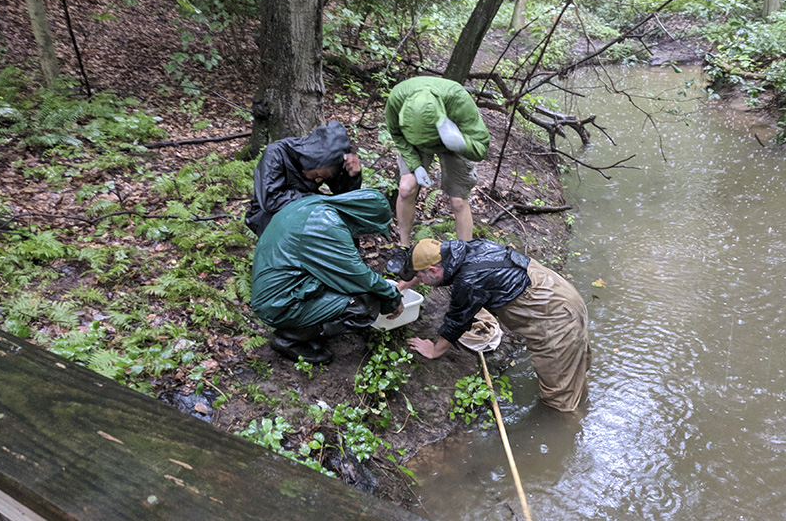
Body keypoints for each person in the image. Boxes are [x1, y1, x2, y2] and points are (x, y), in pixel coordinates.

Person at [397, 238, 591, 412]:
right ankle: (579, 399)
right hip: (558, 290)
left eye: (420, 278)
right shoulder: (464, 248)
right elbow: (428, 272)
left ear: (433, 270)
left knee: (559, 397)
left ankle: (565, 429)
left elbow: (456, 321)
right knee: (575, 369)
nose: (420, 281)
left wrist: (434, 350)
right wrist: (401, 287)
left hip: (555, 317)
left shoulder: (467, 281)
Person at [251, 189, 404, 364]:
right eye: (370, 231)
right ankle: (289, 337)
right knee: (366, 303)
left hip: (281, 288)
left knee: (352, 286)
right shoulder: (325, 225)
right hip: (279, 303)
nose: (368, 236)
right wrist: (391, 296)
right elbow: (357, 276)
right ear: (363, 220)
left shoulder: (313, 206)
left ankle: (308, 327)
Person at [384, 77, 490, 273]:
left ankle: (463, 258)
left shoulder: (457, 99)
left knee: (458, 200)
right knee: (406, 188)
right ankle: (403, 248)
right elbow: (397, 135)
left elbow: (482, 147)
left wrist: (460, 143)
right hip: (413, 144)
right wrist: (416, 166)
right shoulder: (397, 98)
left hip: (452, 137)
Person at [245, 120, 363, 237]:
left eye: (323, 178)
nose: (318, 181)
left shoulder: (329, 161)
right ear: (308, 162)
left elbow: (343, 198)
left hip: (306, 206)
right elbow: (270, 201)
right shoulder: (276, 154)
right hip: (269, 214)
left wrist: (352, 176)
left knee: (341, 221)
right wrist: (317, 199)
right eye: (316, 175)